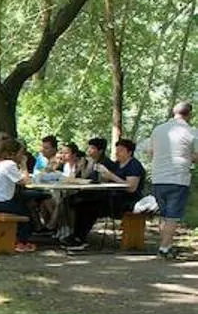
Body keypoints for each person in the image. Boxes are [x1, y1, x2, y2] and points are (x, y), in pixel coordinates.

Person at [64, 138, 146, 251]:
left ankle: (79, 238)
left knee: (90, 205)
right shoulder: (117, 164)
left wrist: (110, 176)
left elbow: (131, 188)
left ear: (129, 152)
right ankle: (76, 236)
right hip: (111, 197)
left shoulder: (134, 165)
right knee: (80, 201)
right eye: (116, 150)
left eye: (121, 150)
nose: (117, 153)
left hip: (126, 201)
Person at [143, 101, 195, 259]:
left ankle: (168, 245)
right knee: (172, 215)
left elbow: (150, 152)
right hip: (178, 178)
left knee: (164, 214)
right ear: (189, 114)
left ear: (174, 112)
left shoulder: (158, 130)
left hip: (158, 177)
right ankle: (164, 248)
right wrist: (189, 157)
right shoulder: (191, 131)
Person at [0, 138, 36, 252]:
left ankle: (19, 238)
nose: (23, 156)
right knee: (26, 213)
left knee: (22, 202)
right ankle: (22, 242)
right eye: (21, 153)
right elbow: (24, 182)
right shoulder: (9, 164)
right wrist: (23, 165)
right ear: (13, 154)